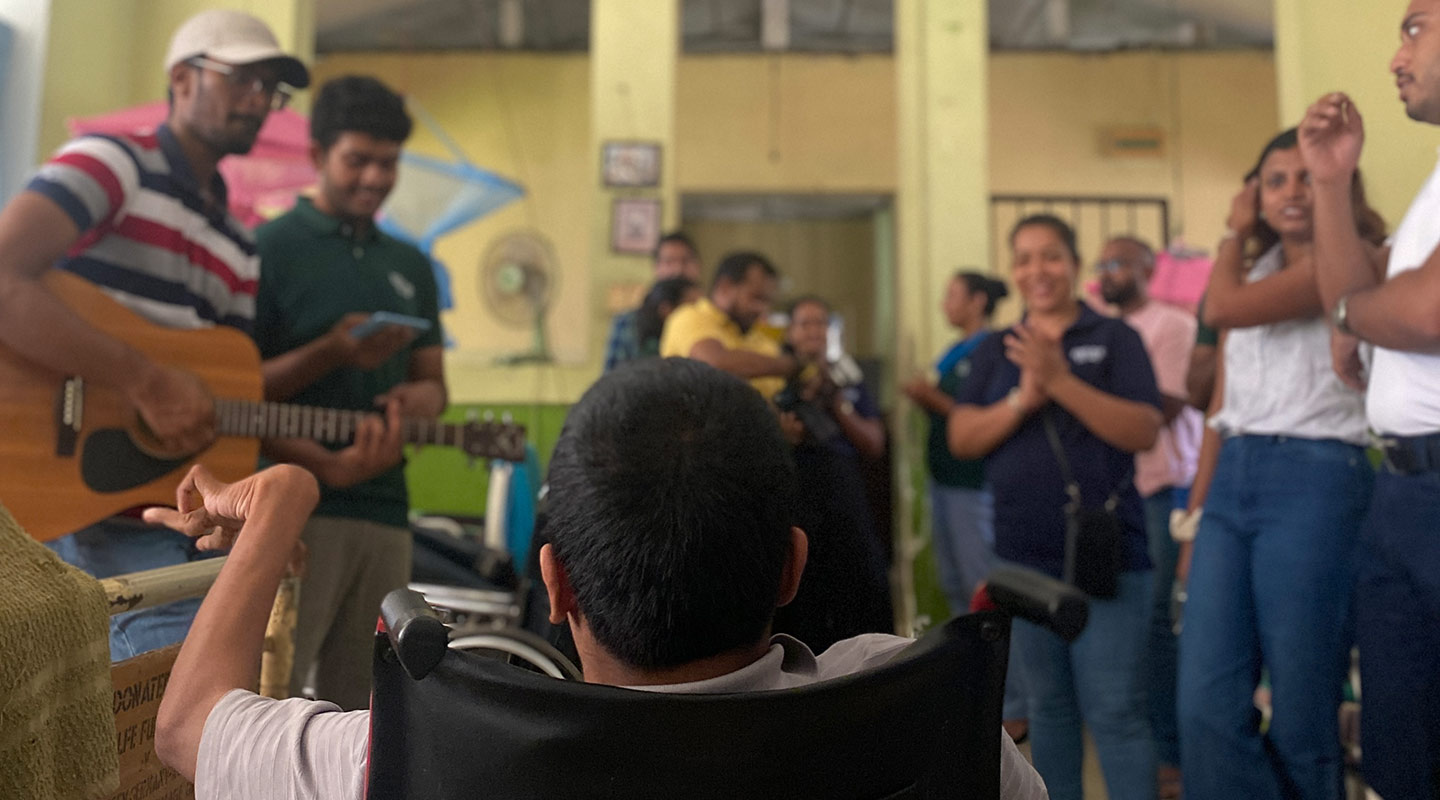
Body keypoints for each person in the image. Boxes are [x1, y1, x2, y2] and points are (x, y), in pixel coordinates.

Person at [146, 358, 1048, 799]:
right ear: (791, 568)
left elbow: (187, 727)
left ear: (556, 584)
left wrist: (283, 505)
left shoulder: (421, 748)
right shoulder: (920, 708)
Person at [0, 9, 308, 660]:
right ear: (181, 78)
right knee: (188, 697)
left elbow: (221, 396)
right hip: (72, 512)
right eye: (241, 79)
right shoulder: (114, 164)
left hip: (167, 523)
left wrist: (264, 507)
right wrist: (143, 379)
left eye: (271, 89)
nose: (259, 101)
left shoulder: (239, 242)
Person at [1175, 128, 1383, 800]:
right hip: (1233, 478)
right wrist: (1194, 518)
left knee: (1302, 710)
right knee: (1203, 706)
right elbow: (1221, 406)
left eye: (1306, 177)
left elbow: (1221, 308)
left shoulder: (1354, 263)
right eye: (1275, 180)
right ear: (1257, 193)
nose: (1292, 191)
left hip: (1316, 477)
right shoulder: (1254, 271)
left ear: (1338, 184)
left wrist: (1231, 233)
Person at [949, 214, 1162, 800]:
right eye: (1023, 259)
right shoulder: (996, 349)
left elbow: (1144, 429)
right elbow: (962, 437)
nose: (1036, 270)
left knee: (1115, 710)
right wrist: (1024, 398)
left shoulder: (1115, 338)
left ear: (1073, 264)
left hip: (1107, 555)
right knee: (1048, 709)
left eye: (1050, 256)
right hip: (1021, 559)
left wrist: (1061, 380)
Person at [252, 75, 446, 710]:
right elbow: (237, 397)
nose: (374, 178)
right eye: (357, 160)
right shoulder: (268, 249)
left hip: (386, 511)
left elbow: (434, 384)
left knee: (370, 708)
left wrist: (421, 402)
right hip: (295, 509)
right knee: (271, 694)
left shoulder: (411, 265)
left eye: (388, 163)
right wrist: (332, 352)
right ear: (317, 154)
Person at [1298, 3, 1440, 791]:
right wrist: (1330, 181)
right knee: (1402, 752)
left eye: (1415, 27)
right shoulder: (1433, 188)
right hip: (1404, 489)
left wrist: (1358, 316)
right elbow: (1353, 293)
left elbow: (1425, 311)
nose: (1396, 56)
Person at [900, 271, 1029, 739]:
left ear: (977, 301)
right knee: (956, 585)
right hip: (945, 480)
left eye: (952, 295)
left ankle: (1014, 703)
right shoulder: (954, 351)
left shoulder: (993, 350)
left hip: (974, 486)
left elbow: (983, 417)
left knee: (985, 590)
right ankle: (976, 687)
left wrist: (929, 398)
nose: (944, 304)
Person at [1096, 235, 1203, 797]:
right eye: (1102, 265)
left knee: (1160, 623)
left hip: (1165, 488)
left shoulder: (1172, 325)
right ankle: (1140, 733)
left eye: (1117, 263)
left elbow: (1162, 407)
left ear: (1146, 267)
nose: (1107, 272)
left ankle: (1172, 752)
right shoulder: (1104, 330)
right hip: (1118, 492)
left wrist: (1091, 403)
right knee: (1127, 619)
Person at [772, 295, 893, 651]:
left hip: (841, 485)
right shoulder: (772, 377)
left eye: (821, 322)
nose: (814, 330)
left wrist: (836, 403)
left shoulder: (848, 376)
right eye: (805, 323)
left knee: (861, 578)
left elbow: (874, 443)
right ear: (790, 332)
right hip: (793, 488)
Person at [659, 250, 799, 400]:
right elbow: (714, 363)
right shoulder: (687, 317)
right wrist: (790, 366)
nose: (763, 309)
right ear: (724, 287)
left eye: (767, 302)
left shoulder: (763, 341)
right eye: (756, 298)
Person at [604, 231, 702, 371]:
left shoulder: (712, 321)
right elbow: (611, 378)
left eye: (685, 261)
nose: (678, 270)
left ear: (698, 266)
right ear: (656, 268)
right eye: (669, 262)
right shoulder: (627, 323)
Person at [604, 275, 699, 372]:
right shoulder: (628, 325)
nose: (701, 313)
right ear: (666, 309)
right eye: (692, 308)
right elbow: (611, 371)